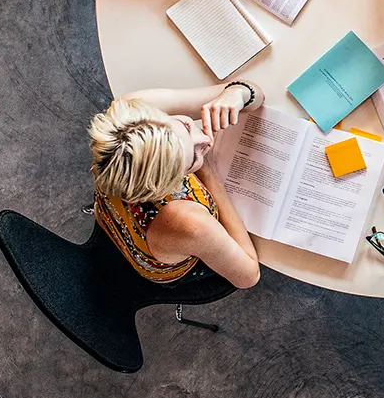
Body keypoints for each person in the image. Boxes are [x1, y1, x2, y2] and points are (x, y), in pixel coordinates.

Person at [89, 80, 263, 288]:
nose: (206, 141)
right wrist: (210, 174)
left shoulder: (133, 113)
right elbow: (248, 276)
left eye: (186, 125)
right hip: (166, 262)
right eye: (192, 160)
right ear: (168, 186)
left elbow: (254, 93)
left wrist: (237, 94)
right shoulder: (188, 221)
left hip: (113, 214)